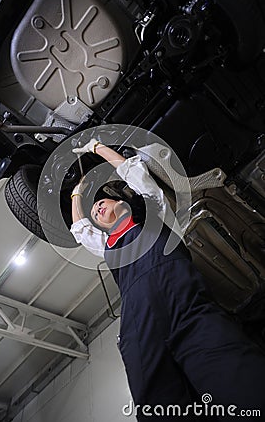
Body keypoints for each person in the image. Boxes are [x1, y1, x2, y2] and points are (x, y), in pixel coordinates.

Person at [70, 138, 265, 421]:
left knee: (238, 379)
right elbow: (80, 228)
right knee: (158, 408)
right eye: (95, 212)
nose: (97, 208)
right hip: (139, 329)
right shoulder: (107, 247)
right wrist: (77, 194)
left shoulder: (156, 215)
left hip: (186, 310)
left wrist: (96, 147)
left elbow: (131, 171)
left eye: (102, 201)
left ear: (122, 202)